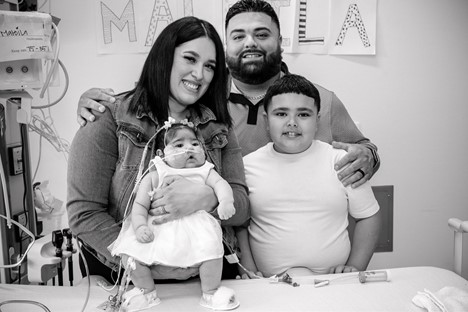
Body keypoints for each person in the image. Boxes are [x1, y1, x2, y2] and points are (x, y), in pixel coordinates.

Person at [76, 0, 380, 190]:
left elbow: (364, 148)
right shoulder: (200, 102)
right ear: (226, 48)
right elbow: (147, 106)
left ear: (280, 42)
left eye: (262, 34)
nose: (251, 43)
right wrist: (96, 101)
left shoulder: (320, 102)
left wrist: (369, 156)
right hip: (229, 247)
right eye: (238, 36)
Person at [67, 16, 249, 285]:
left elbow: (242, 208)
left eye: (209, 66)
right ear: (164, 57)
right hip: (129, 279)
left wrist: (207, 198)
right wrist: (142, 262)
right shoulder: (108, 118)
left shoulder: (218, 127)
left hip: (207, 278)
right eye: (190, 58)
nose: (199, 74)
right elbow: (84, 214)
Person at [238, 74, 381, 278]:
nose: (292, 123)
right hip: (267, 286)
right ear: (266, 120)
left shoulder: (341, 162)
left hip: (332, 283)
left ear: (317, 121)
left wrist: (355, 267)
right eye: (280, 114)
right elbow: (240, 225)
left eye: (303, 115)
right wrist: (248, 269)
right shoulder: (246, 167)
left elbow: (368, 215)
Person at [109, 120, 239, 310]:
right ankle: (146, 292)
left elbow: (221, 185)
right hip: (159, 231)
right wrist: (139, 226)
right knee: (131, 256)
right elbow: (140, 205)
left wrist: (226, 201)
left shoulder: (205, 170)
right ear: (162, 154)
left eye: (195, 144)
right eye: (179, 145)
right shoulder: (156, 174)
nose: (190, 149)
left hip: (198, 231)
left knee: (212, 251)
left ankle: (211, 292)